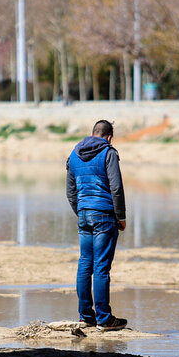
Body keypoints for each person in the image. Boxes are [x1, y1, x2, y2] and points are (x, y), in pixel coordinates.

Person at [65, 120, 128, 331]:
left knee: (85, 264)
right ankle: (104, 319)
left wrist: (81, 211)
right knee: (101, 267)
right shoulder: (108, 152)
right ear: (109, 137)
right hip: (104, 215)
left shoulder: (74, 155)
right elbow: (116, 187)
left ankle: (86, 316)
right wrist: (121, 216)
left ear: (94, 133)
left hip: (84, 214)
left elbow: (70, 192)